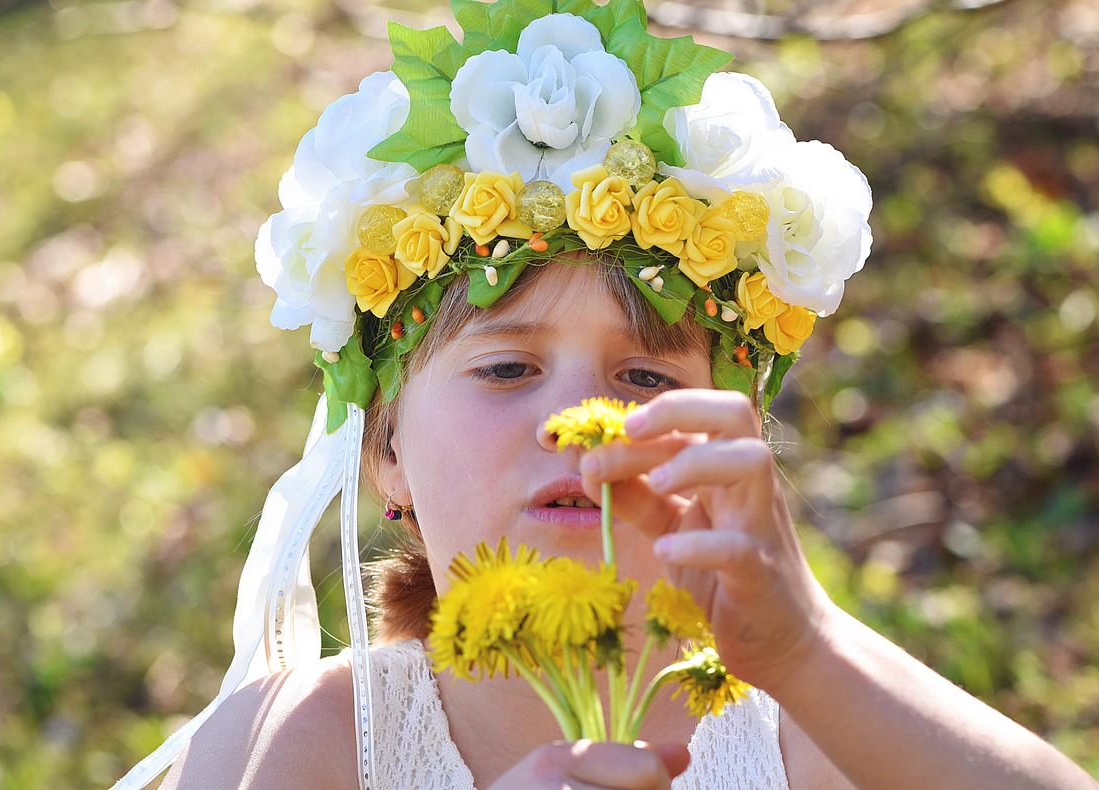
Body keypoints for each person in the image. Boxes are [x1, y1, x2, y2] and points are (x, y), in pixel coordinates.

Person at [111, 1, 1099, 788]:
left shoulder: (813, 737)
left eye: (644, 376)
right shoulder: (310, 747)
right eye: (505, 368)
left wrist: (808, 649)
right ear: (385, 451)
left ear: (734, 434)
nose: (586, 424)